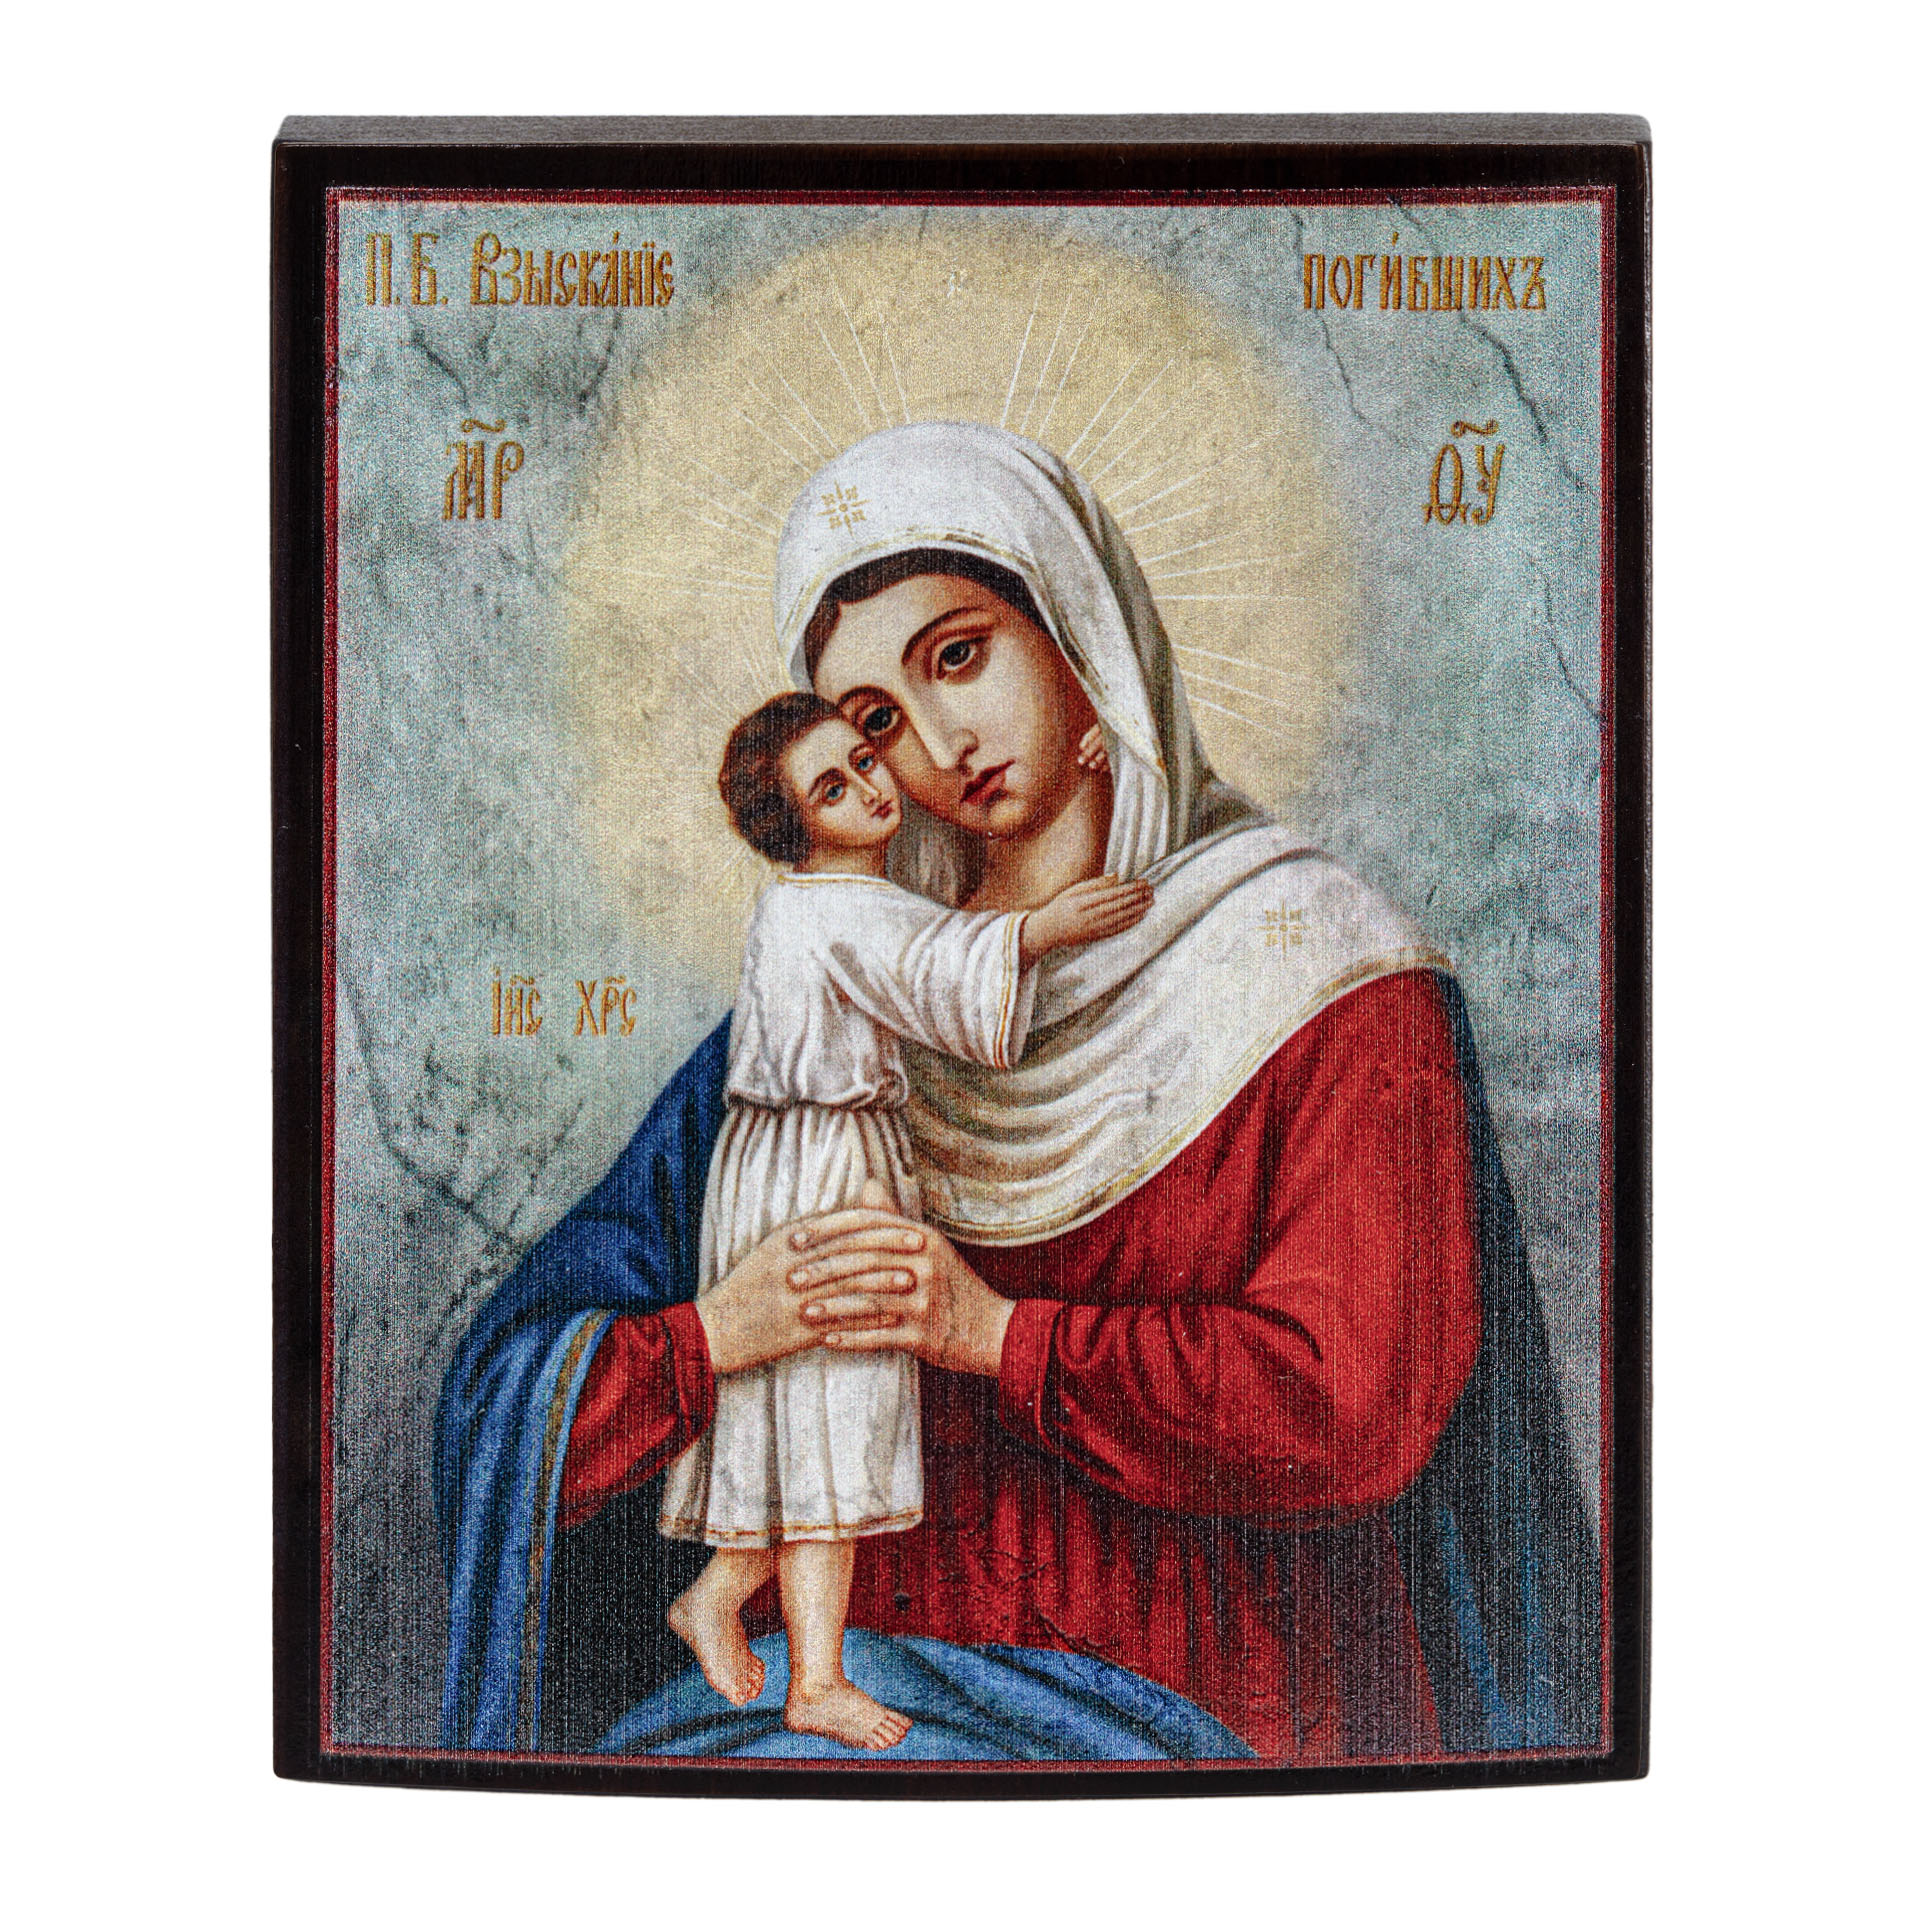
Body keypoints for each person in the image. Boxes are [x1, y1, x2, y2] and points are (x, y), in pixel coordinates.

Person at [436, 420, 1602, 1761]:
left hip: (1190, 1733)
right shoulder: (832, 1029)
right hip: (826, 1721)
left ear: (1074, 622)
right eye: (877, 722)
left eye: (958, 654)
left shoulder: (1329, 980)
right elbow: (511, 1402)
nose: (940, 741)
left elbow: (1353, 1409)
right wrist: (713, 1337)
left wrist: (997, 1337)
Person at [658, 690, 1150, 1748]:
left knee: (800, 1418)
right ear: (797, 825)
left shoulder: (828, 897)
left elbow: (935, 933)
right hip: (821, 1169)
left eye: (864, 759)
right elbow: (935, 965)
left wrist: (1093, 786)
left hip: (806, 1161)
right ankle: (816, 1683)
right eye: (833, 788)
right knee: (829, 1415)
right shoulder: (835, 907)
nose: (872, 786)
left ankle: (715, 1597)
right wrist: (1042, 931)